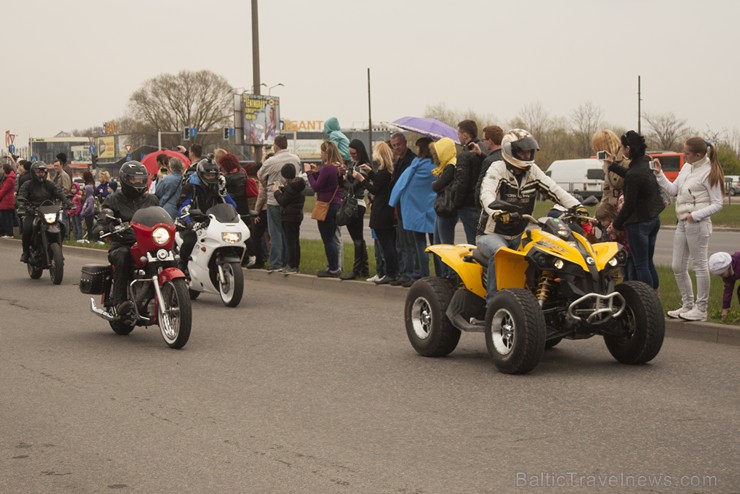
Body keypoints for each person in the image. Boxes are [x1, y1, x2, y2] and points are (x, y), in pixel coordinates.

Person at [478, 129, 582, 306]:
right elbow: (486, 192)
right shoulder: (497, 168)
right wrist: (496, 212)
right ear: (510, 151)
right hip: (491, 234)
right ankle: (493, 304)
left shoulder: (533, 171)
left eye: (529, 151)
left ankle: (543, 301)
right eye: (521, 151)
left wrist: (576, 207)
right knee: (500, 253)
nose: (526, 155)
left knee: (548, 251)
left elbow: (554, 189)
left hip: (520, 234)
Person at [655, 138, 724, 322]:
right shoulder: (687, 167)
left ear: (698, 155)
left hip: (698, 224)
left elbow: (718, 204)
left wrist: (696, 215)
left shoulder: (709, 171)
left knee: (699, 265)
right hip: (682, 222)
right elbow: (672, 190)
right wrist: (659, 173)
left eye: (686, 153)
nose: (683, 155)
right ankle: (687, 304)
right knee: (677, 266)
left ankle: (701, 308)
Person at [92, 161, 160, 321]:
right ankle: (120, 301)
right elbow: (103, 217)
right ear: (125, 179)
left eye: (141, 179)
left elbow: (162, 216)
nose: (138, 182)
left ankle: (177, 290)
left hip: (148, 244)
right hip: (122, 244)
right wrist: (103, 228)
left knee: (169, 254)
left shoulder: (151, 199)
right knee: (122, 255)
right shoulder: (113, 199)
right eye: (134, 179)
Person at [606, 130, 665, 291]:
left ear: (628, 148)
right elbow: (632, 174)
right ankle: (655, 295)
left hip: (639, 223)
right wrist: (613, 165)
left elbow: (629, 204)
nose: (622, 151)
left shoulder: (634, 173)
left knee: (641, 265)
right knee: (648, 261)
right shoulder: (646, 163)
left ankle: (647, 300)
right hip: (653, 219)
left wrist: (615, 225)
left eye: (623, 147)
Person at [388, 137, 436, 286]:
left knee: (419, 245)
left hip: (415, 211)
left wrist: (392, 202)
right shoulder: (436, 166)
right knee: (437, 246)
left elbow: (400, 185)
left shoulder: (416, 165)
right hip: (432, 210)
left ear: (421, 149)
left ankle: (423, 274)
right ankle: (441, 275)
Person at [177, 158, 238, 273]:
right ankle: (182, 265)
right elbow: (182, 207)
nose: (210, 178)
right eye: (207, 175)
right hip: (194, 222)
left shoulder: (217, 186)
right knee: (190, 240)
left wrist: (223, 191)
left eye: (213, 175)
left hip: (214, 222)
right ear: (201, 174)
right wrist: (190, 222)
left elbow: (233, 206)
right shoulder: (191, 187)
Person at [354, 142, 398, 285]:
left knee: (386, 245)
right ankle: (390, 272)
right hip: (385, 209)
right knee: (388, 243)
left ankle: (390, 272)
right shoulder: (386, 171)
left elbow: (375, 189)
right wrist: (371, 172)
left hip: (382, 210)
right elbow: (379, 182)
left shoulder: (385, 172)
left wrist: (362, 179)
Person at [257, 134, 302, 273]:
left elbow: (260, 175)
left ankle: (276, 263)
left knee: (275, 232)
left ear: (275, 146)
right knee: (288, 234)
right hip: (290, 199)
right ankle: (289, 262)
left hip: (273, 199)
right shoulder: (296, 159)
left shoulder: (271, 161)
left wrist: (267, 182)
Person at [16, 161, 73, 263]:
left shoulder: (49, 184)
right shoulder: (27, 185)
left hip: (48, 211)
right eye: (39, 172)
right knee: (27, 229)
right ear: (33, 173)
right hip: (33, 212)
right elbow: (21, 196)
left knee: (62, 226)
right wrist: (22, 206)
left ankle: (58, 250)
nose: (41, 174)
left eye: (43, 172)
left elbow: (59, 193)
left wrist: (68, 202)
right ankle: (26, 252)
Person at [305, 141, 344, 277]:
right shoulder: (338, 167)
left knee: (327, 239)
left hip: (326, 205)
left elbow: (316, 187)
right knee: (332, 237)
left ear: (327, 153)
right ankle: (335, 266)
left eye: (322, 152)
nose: (321, 155)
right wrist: (317, 173)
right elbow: (327, 183)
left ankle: (333, 268)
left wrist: (309, 172)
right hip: (337, 204)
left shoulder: (327, 168)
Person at [338, 139, 371, 280]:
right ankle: (364, 269)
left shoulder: (365, 166)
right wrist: (341, 175)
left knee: (357, 239)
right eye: (350, 153)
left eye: (354, 153)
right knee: (358, 239)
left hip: (356, 203)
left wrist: (347, 179)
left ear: (360, 151)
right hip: (351, 202)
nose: (352, 156)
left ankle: (356, 270)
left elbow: (354, 187)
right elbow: (344, 185)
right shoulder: (353, 164)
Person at [389, 132, 418, 284]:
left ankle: (412, 273)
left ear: (405, 143)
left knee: (410, 243)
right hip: (400, 206)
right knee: (401, 242)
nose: (396, 148)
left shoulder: (412, 161)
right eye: (394, 146)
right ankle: (404, 273)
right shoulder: (398, 161)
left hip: (409, 206)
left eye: (398, 144)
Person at [431, 138, 459, 277]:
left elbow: (436, 186)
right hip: (442, 209)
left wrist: (436, 183)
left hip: (447, 210)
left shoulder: (451, 167)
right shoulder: (445, 166)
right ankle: (443, 274)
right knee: (437, 244)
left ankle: (450, 274)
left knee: (445, 245)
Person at [454, 119, 485, 244]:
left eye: (459, 134)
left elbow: (462, 182)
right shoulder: (482, 150)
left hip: (468, 203)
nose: (458, 137)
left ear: (465, 135)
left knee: (472, 243)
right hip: (479, 201)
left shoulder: (466, 154)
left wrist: (456, 203)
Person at [274, 163, 305, 274]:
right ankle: (295, 264)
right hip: (296, 215)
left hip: (289, 216)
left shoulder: (292, 187)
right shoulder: (298, 185)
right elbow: (290, 196)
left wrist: (276, 191)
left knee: (290, 242)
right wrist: (283, 189)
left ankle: (292, 265)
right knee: (295, 241)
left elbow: (283, 200)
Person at [592, 129, 629, 208]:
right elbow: (607, 191)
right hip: (612, 207)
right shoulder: (606, 164)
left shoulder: (626, 161)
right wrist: (601, 212)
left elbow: (619, 184)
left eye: (598, 148)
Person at [708, 251, 740, 321]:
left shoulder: (738, 262)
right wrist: (725, 309)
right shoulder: (728, 275)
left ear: (727, 267)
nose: (722, 277)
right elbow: (728, 290)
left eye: (722, 274)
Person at [0, 163, 17, 237]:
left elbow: (3, 190)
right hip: (5, 201)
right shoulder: (8, 178)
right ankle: (5, 232)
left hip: (7, 201)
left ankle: (9, 233)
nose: (2, 170)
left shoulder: (9, 179)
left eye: (3, 168)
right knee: (5, 217)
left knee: (7, 218)